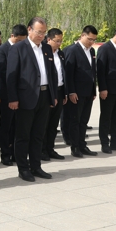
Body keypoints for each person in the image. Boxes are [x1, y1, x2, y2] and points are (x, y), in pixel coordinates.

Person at [7, 17, 57, 182]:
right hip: (25, 98)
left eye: (44, 33)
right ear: (29, 30)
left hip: (44, 96)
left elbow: (52, 73)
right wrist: (13, 98)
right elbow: (11, 76)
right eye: (38, 32)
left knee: (38, 134)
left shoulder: (47, 49)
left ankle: (36, 166)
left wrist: (53, 95)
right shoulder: (18, 48)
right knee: (23, 135)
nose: (41, 36)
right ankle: (23, 168)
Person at [63, 25, 98, 158]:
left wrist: (93, 90)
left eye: (94, 40)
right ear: (82, 35)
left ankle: (82, 145)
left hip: (88, 92)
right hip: (76, 93)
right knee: (75, 121)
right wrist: (71, 92)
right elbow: (68, 73)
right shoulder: (72, 50)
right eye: (89, 39)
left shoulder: (91, 51)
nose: (91, 42)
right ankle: (75, 146)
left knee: (84, 120)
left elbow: (92, 72)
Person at [0, 24, 27, 166]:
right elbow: (2, 72)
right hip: (7, 93)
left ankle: (15, 153)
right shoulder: (2, 50)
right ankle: (5, 154)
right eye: (19, 40)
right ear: (12, 36)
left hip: (21, 93)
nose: (21, 43)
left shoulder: (24, 49)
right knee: (6, 125)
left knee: (18, 125)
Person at [43, 28, 67, 161]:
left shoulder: (60, 54)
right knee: (44, 123)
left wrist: (64, 94)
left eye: (61, 41)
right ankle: (41, 150)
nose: (59, 43)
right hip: (48, 92)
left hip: (59, 90)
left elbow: (64, 74)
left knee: (53, 123)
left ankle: (50, 148)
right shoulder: (43, 53)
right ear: (49, 39)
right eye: (57, 41)